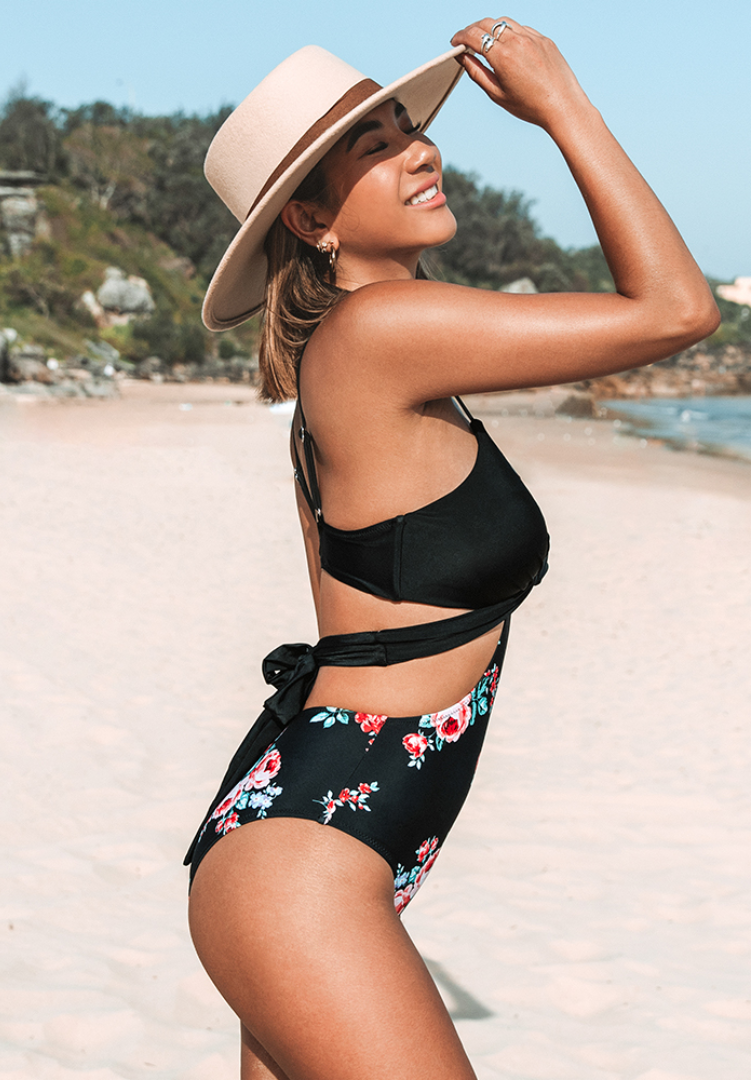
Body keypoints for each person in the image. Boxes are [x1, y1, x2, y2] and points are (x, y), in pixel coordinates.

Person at [185, 17, 719, 1080]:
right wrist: (562, 103)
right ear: (312, 218)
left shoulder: (373, 359)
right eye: (374, 146)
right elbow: (677, 309)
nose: (419, 149)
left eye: (408, 127)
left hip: (320, 850)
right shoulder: (379, 333)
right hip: (306, 867)